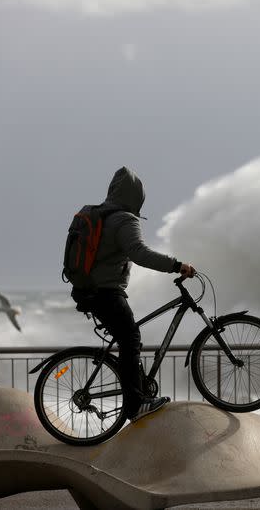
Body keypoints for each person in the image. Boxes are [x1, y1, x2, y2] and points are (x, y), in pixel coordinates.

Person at [71, 167, 196, 421]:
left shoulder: (103, 215)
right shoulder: (125, 219)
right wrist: (177, 265)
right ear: (137, 196)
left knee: (130, 340)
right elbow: (139, 253)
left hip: (88, 290)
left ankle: (139, 395)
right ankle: (135, 406)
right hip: (106, 292)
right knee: (130, 340)